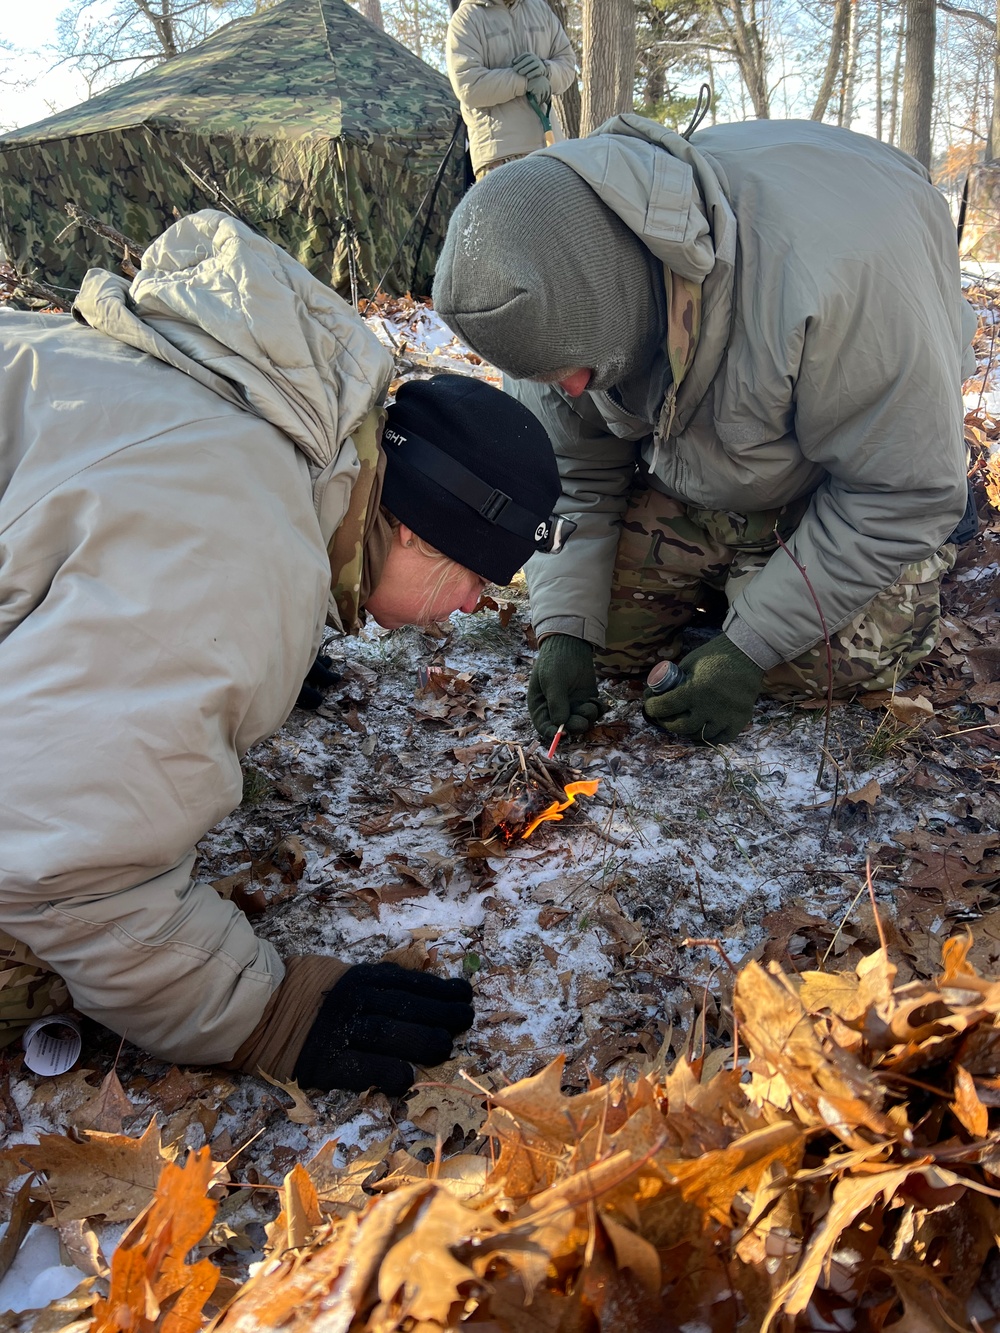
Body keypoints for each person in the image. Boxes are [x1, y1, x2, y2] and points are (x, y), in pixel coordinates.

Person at [0, 209, 566, 1096]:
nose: (469, 611)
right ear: (415, 533)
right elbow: (53, 861)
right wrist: (263, 1011)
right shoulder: (240, 557)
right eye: (477, 581)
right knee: (31, 961)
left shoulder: (254, 422)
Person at [432, 116, 978, 747]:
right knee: (603, 641)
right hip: (695, 477)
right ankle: (737, 588)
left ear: (622, 303)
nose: (572, 390)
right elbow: (574, 477)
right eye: (548, 377)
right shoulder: (541, 308)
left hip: (837, 492)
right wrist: (564, 631)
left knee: (833, 664)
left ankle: (764, 598)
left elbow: (901, 494)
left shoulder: (836, 281)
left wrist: (749, 649)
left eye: (576, 370)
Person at [446, 0, 577, 180]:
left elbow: (568, 64)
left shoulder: (540, 10)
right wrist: (526, 81)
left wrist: (547, 71)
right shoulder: (467, 19)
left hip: (553, 151)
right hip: (500, 158)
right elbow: (469, 85)